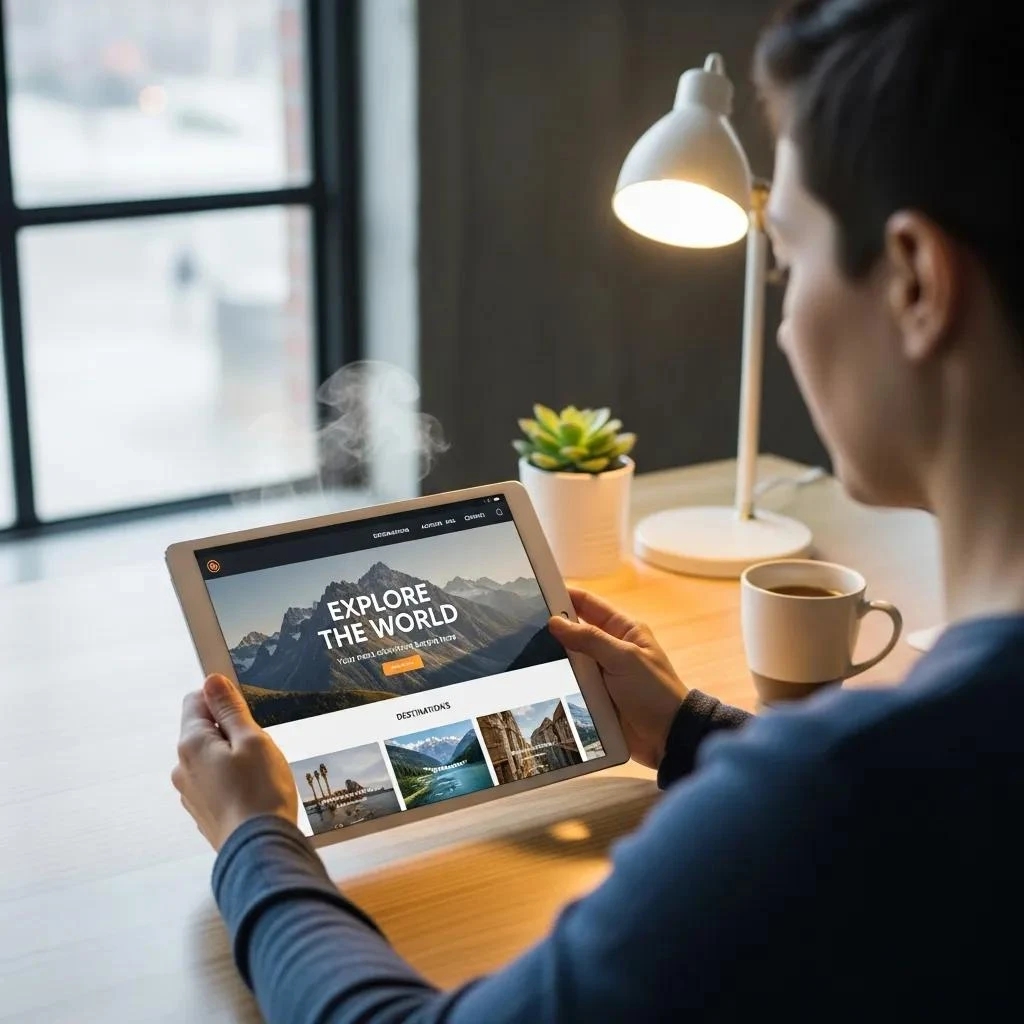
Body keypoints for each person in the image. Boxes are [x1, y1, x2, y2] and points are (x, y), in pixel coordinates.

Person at [172, 1, 1024, 1019]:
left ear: (917, 283)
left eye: (788, 259)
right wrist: (691, 729)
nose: (785, 324)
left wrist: (255, 840)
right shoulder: (928, 771)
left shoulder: (833, 794)